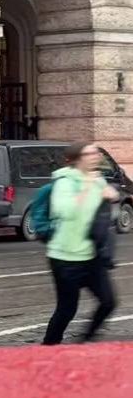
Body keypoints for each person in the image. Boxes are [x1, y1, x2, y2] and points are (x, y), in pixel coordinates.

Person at [42, 142, 120, 345]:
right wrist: (88, 186)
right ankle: (48, 347)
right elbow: (65, 211)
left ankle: (85, 341)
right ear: (77, 159)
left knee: (108, 302)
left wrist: (112, 197)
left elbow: (106, 214)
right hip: (65, 257)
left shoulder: (98, 180)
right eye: (90, 153)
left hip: (92, 256)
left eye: (97, 153)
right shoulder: (64, 182)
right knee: (67, 308)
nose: (96, 156)